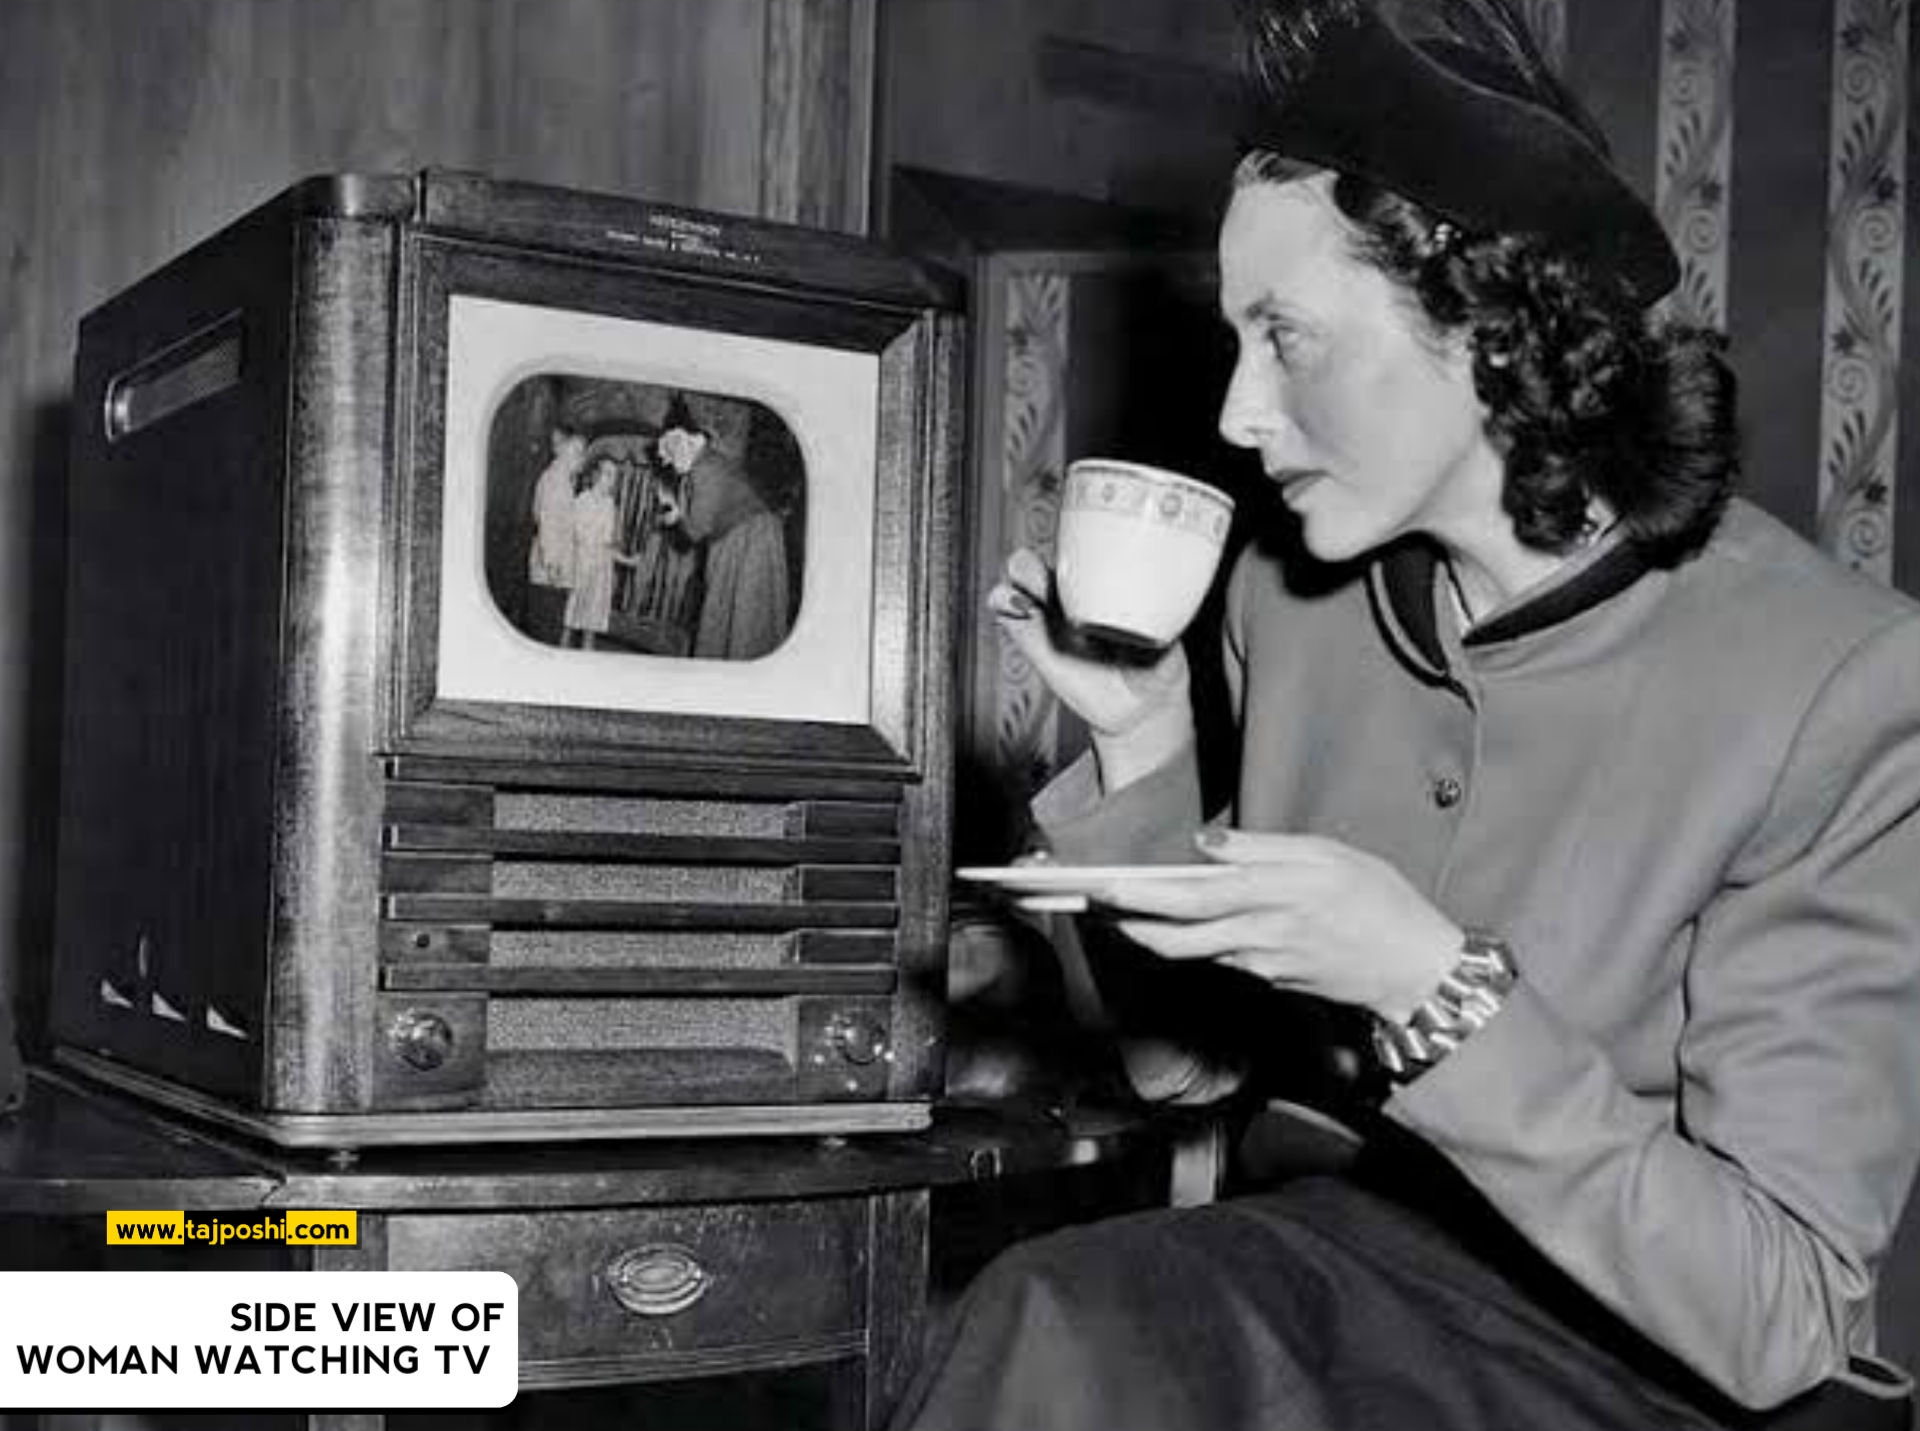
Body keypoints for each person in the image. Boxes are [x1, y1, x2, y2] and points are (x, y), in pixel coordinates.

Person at [894, 2, 1920, 1429]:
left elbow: (1783, 1308)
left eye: (1287, 337)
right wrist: (1142, 747)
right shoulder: (1286, 597)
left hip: (1640, 1365)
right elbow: (1184, 1062)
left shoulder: (1842, 680)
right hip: (1331, 1274)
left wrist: (1431, 983)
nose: (1241, 412)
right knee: (1051, 1312)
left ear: (1484, 327)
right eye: (1232, 339)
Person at [656, 397, 794, 661]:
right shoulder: (707, 464)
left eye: (670, 450)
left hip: (749, 542)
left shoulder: (706, 468)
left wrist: (673, 515)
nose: (669, 461)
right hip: (741, 540)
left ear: (688, 440)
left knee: (744, 618)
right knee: (734, 615)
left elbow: (696, 528)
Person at [562, 453, 639, 650]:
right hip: (580, 569)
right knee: (569, 625)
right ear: (596, 475)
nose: (612, 480)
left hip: (601, 572)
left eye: (614, 475)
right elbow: (578, 540)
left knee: (591, 628)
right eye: (608, 474)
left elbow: (606, 545)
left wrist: (627, 560)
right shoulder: (581, 501)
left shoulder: (609, 505)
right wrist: (627, 561)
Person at [525, 424, 587, 644]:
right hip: (551, 571)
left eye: (583, 452)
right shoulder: (555, 480)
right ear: (560, 449)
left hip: (555, 569)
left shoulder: (563, 481)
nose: (582, 458)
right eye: (577, 451)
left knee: (548, 630)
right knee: (544, 633)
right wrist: (552, 564)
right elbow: (548, 523)